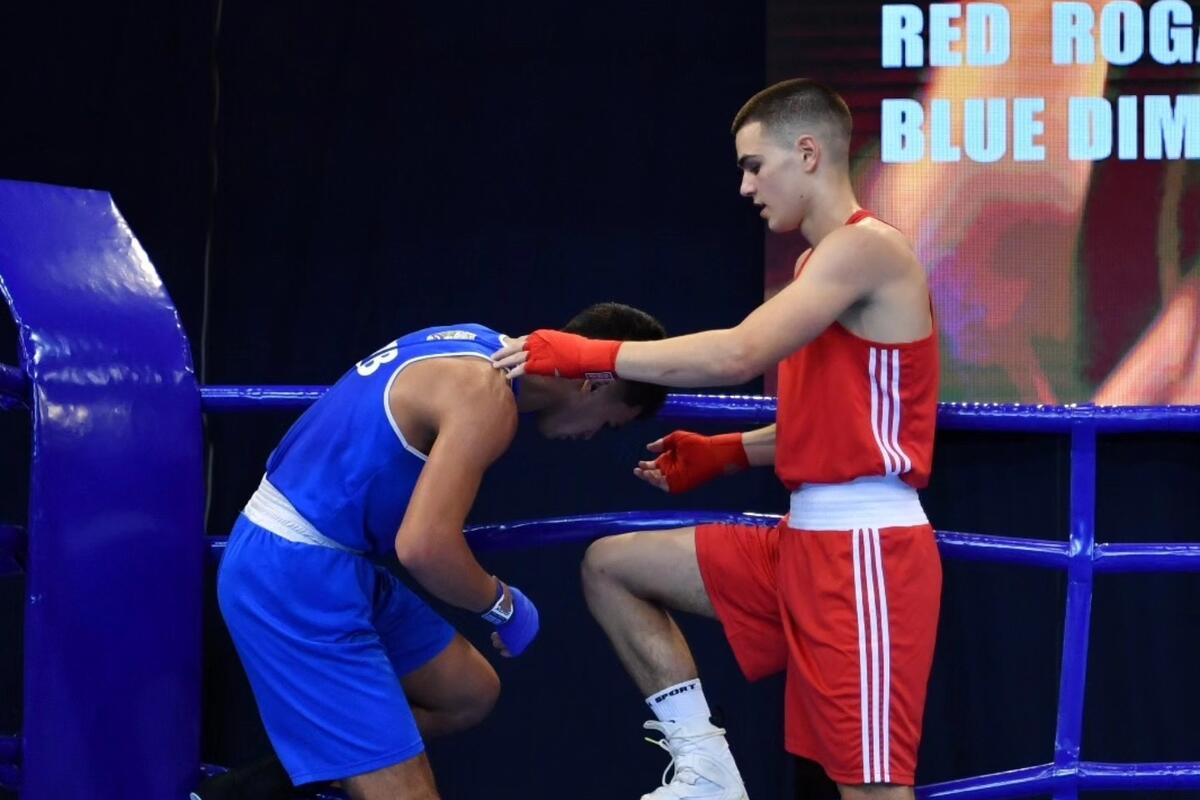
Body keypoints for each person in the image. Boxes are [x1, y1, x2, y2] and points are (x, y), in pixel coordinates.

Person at [493, 79, 942, 800]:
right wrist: (729, 452)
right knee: (611, 567)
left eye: (754, 165)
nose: (745, 187)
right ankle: (707, 771)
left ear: (807, 153)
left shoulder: (867, 250)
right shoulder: (816, 265)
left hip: (865, 552)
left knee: (871, 792)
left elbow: (738, 354)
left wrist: (587, 353)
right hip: (803, 542)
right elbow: (835, 424)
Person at [211, 303, 667, 800]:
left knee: (467, 693)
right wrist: (503, 605)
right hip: (293, 573)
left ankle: (264, 784)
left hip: (329, 559)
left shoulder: (476, 340)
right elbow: (424, 546)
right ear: (594, 384)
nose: (593, 435)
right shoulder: (486, 397)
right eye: (610, 423)